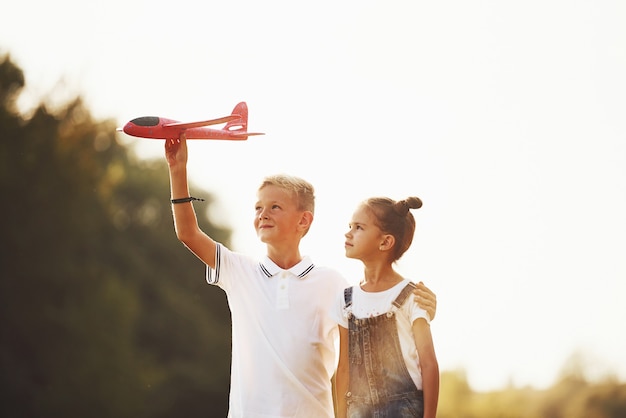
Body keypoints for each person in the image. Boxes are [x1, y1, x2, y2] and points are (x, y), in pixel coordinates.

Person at [164, 134, 438, 418]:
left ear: (303, 220)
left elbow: (376, 322)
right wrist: (177, 169)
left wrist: (420, 307)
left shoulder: (332, 283)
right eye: (258, 208)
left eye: (275, 207)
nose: (263, 214)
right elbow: (188, 233)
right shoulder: (238, 271)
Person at [333, 196, 439, 418]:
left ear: (385, 242)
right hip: (359, 411)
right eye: (350, 226)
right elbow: (343, 369)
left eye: (359, 227)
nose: (348, 233)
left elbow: (428, 364)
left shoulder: (411, 296)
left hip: (404, 410)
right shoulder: (345, 300)